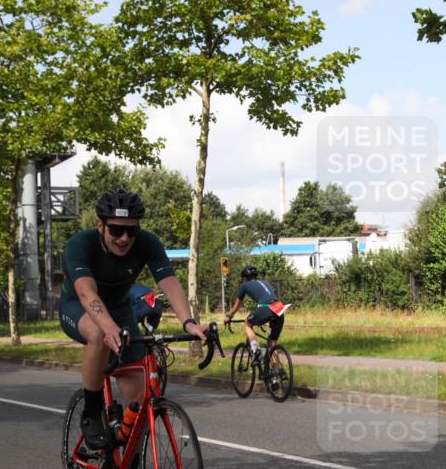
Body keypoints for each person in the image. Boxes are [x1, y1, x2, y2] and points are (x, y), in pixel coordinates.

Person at [59, 189, 206, 450]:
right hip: (78, 308)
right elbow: (86, 291)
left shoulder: (147, 243)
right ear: (100, 225)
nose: (124, 238)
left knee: (139, 405)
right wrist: (108, 328)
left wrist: (189, 322)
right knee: (98, 335)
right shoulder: (81, 245)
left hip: (120, 310)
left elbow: (169, 283)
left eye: (131, 231)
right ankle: (92, 413)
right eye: (116, 230)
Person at [224, 265, 289, 367]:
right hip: (279, 308)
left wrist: (229, 316)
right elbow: (267, 297)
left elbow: (237, 305)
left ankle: (255, 350)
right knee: (272, 343)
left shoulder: (244, 285)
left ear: (244, 278)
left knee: (247, 323)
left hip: (266, 308)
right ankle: (277, 375)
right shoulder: (266, 282)